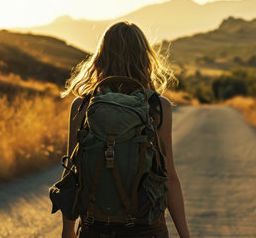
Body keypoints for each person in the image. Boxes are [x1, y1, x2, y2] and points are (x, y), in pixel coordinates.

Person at [60, 21, 190, 238]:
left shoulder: (82, 106)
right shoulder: (157, 107)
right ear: (145, 58)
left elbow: (73, 174)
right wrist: (185, 235)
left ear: (101, 57)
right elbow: (169, 177)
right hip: (146, 228)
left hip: (96, 226)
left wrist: (68, 230)